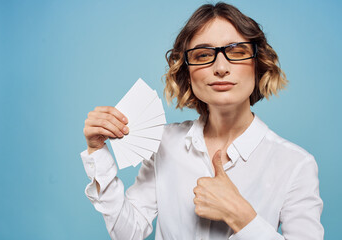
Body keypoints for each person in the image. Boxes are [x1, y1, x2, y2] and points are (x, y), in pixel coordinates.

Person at [81, 2, 324, 239]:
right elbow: (129, 232)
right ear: (186, 70)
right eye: (203, 55)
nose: (220, 67)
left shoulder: (296, 165)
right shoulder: (163, 143)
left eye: (237, 51)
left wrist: (241, 216)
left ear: (257, 64)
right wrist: (97, 151)